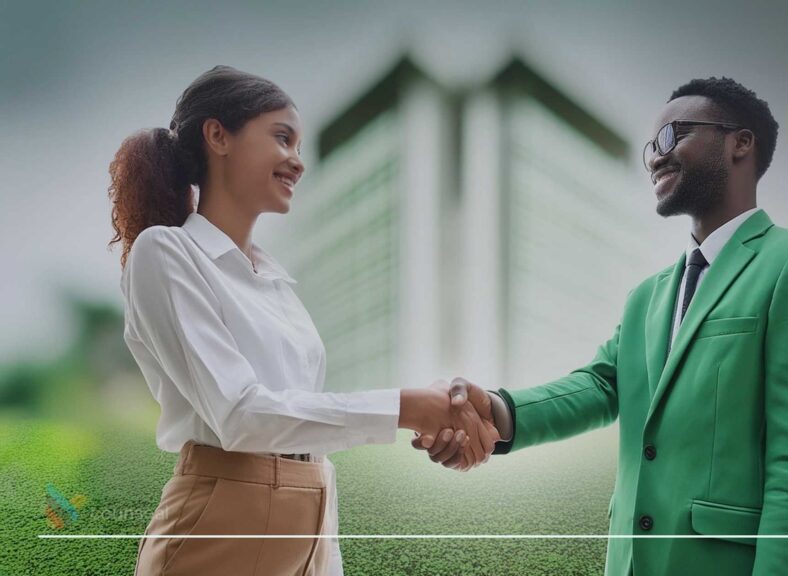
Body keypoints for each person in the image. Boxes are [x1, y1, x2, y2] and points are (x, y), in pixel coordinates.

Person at [416, 77, 788, 576]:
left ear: (741, 142)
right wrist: (494, 410)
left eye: (673, 136)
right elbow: (601, 385)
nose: (654, 157)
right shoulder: (647, 296)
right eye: (650, 146)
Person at [108, 65, 499, 576]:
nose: (298, 161)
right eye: (282, 138)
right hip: (216, 532)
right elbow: (240, 416)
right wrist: (405, 408)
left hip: (307, 520)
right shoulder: (166, 252)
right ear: (218, 135)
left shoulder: (276, 282)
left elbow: (310, 449)